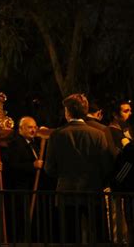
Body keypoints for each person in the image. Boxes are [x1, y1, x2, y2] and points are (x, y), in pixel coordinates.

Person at [45, 93, 112, 243]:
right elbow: (106, 166)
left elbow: (49, 168)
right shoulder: (98, 135)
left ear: (68, 111)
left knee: (69, 237)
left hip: (66, 192)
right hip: (93, 191)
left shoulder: (57, 135)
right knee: (99, 236)